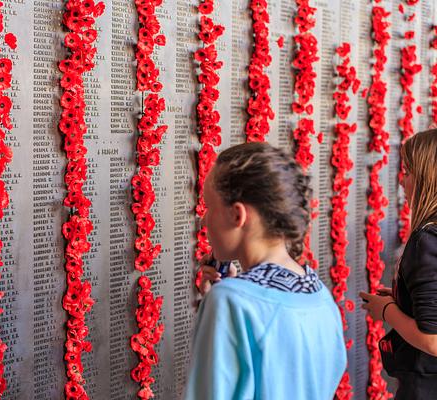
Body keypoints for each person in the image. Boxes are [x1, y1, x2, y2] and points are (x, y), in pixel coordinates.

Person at [184, 142, 346, 400]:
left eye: (209, 208)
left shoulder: (230, 302)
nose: (204, 220)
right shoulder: (320, 295)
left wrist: (224, 300)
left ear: (238, 216)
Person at [360, 129, 437, 399]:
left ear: (428, 177)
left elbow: (433, 340)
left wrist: (387, 310)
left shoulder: (427, 239)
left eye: (407, 171)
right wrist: (403, 300)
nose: (402, 182)